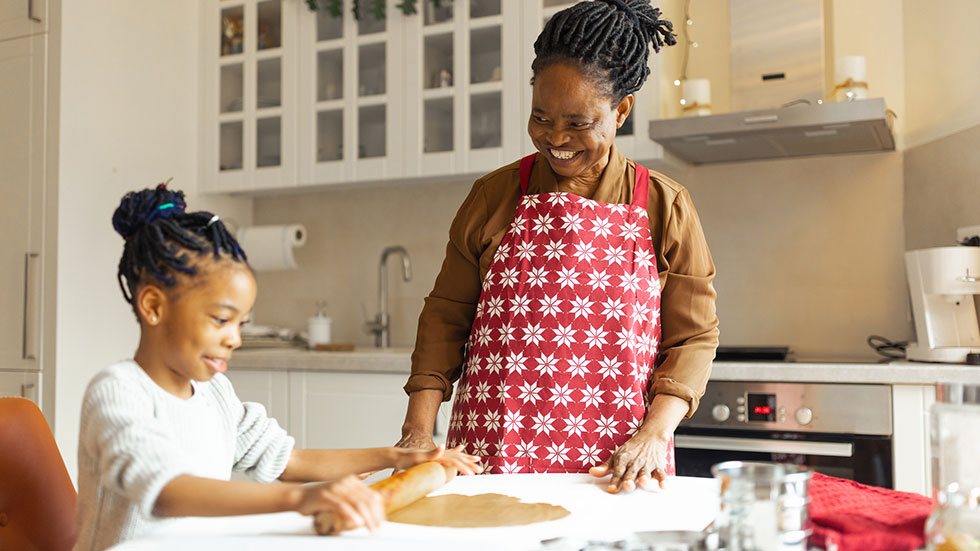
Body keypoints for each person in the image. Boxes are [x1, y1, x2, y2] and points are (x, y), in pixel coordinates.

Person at [396, 0, 718, 494]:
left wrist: (655, 435)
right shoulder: (493, 195)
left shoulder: (664, 205)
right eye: (541, 118)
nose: (556, 138)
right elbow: (445, 316)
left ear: (622, 110)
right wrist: (417, 432)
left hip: (617, 462)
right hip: (490, 451)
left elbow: (692, 339)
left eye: (578, 123)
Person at [75, 185, 482, 551]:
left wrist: (399, 457)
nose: (234, 338)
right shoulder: (118, 392)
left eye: (241, 324)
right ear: (153, 306)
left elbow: (288, 460)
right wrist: (303, 499)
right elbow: (166, 490)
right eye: (221, 319)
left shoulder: (215, 394)